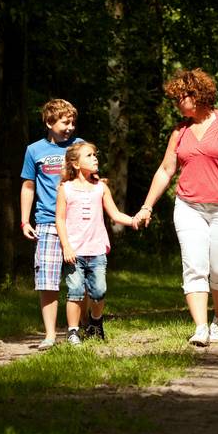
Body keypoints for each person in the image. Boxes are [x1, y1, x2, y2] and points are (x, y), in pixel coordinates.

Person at [134, 69, 218, 346]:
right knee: (194, 266)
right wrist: (147, 207)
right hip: (189, 206)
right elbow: (165, 171)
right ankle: (200, 327)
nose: (176, 104)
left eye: (179, 98)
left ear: (196, 95)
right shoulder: (180, 131)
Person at [56, 141, 138, 346]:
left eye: (95, 155)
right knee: (75, 291)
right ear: (75, 164)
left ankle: (95, 322)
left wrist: (134, 220)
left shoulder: (101, 188)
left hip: (97, 250)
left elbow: (116, 214)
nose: (95, 158)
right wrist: (66, 246)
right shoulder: (65, 189)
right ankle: (73, 331)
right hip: (74, 251)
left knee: (99, 291)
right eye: (89, 155)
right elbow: (59, 219)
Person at [20, 99, 84, 350]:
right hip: (46, 222)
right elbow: (28, 185)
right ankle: (49, 334)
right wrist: (25, 220)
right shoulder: (34, 150)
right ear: (49, 122)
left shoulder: (79, 146)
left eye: (72, 123)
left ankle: (77, 329)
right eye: (65, 123)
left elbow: (93, 178)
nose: (70, 127)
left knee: (80, 280)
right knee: (47, 281)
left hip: (77, 224)